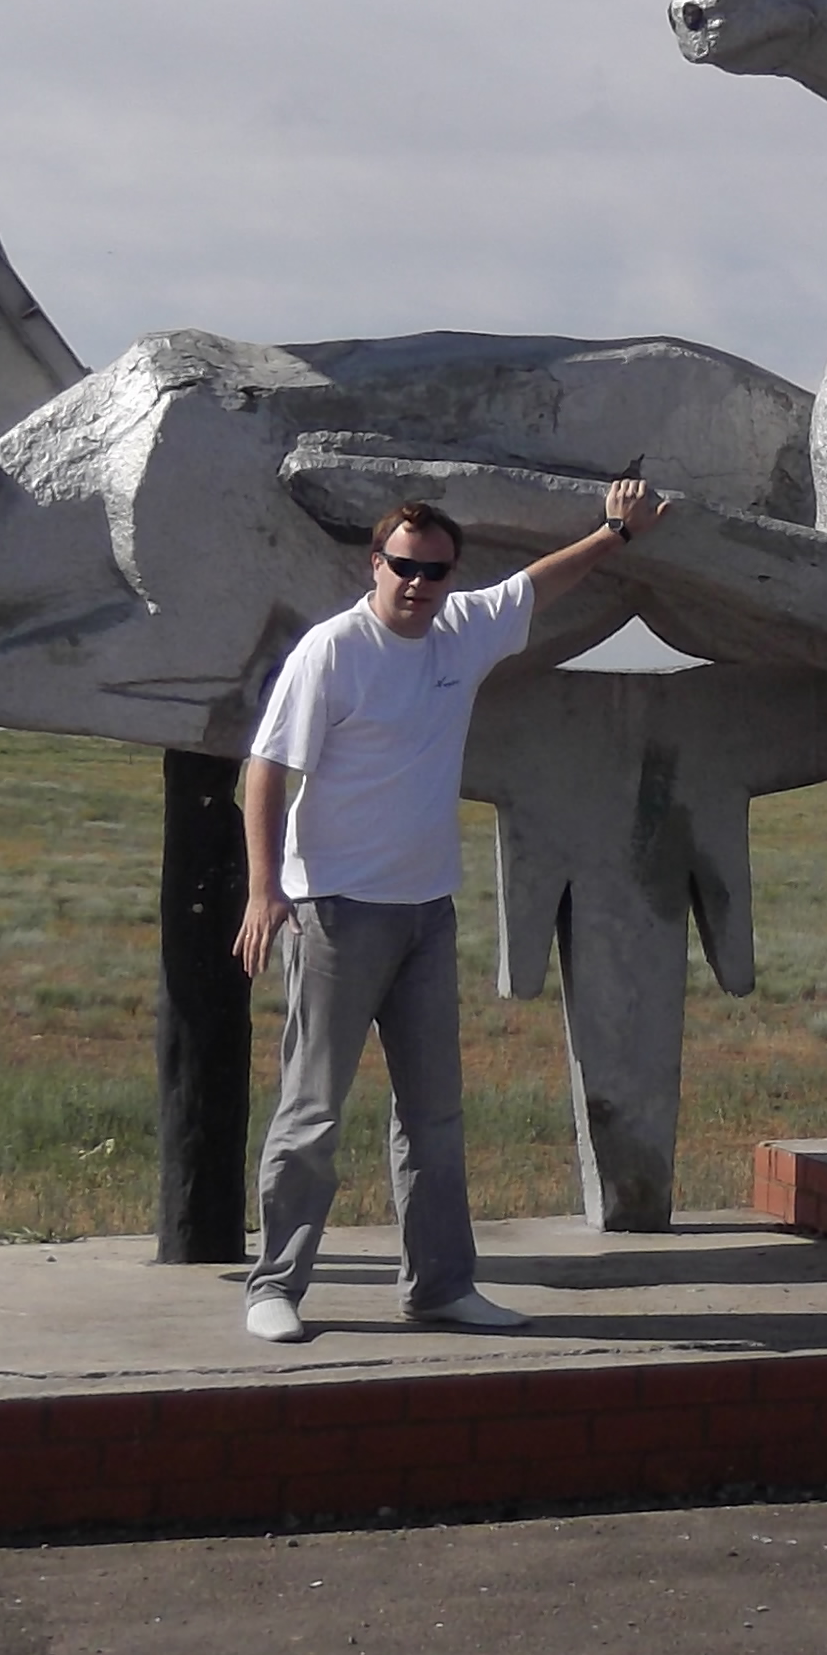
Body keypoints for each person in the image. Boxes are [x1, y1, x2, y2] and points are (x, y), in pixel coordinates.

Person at [233, 479, 668, 1342]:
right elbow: (267, 768)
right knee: (314, 1111)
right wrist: (263, 887)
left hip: (425, 913)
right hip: (336, 911)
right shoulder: (334, 651)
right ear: (375, 564)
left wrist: (616, 534)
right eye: (403, 567)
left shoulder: (463, 629)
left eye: (434, 571)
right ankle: (274, 1287)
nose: (417, 584)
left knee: (433, 1116)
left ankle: (439, 1286)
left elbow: (539, 584)